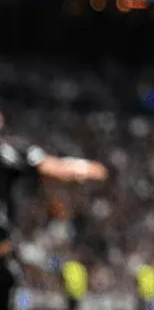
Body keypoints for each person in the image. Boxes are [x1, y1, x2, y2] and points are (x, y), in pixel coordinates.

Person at [0, 110, 107, 310]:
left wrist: (80, 168)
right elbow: (53, 168)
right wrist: (82, 169)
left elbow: (50, 166)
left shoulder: (9, 150)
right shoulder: (7, 151)